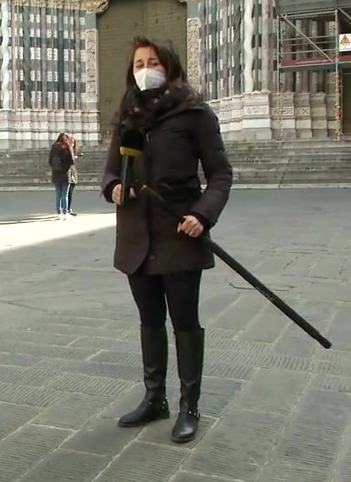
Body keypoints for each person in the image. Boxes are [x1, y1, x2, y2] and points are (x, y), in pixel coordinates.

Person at [101, 37, 233, 443]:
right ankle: (154, 398)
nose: (145, 69)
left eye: (152, 61)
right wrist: (114, 190)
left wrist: (202, 214)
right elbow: (109, 173)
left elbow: (221, 174)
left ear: (169, 67)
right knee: (149, 321)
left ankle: (189, 406)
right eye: (138, 62)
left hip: (179, 234)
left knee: (184, 323)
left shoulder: (194, 114)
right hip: (136, 236)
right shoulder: (128, 117)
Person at [49, 133, 74, 220]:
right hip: (65, 174)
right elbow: (72, 161)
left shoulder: (54, 147)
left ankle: (59, 213)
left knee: (58, 194)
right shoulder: (67, 147)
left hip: (56, 174)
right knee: (65, 194)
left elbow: (49, 161)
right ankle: (65, 213)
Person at [67, 136, 79, 216]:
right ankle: (66, 209)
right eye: (71, 142)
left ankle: (68, 208)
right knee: (67, 193)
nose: (72, 144)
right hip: (67, 174)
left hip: (72, 174)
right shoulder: (66, 151)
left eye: (73, 142)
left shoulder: (73, 151)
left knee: (70, 192)